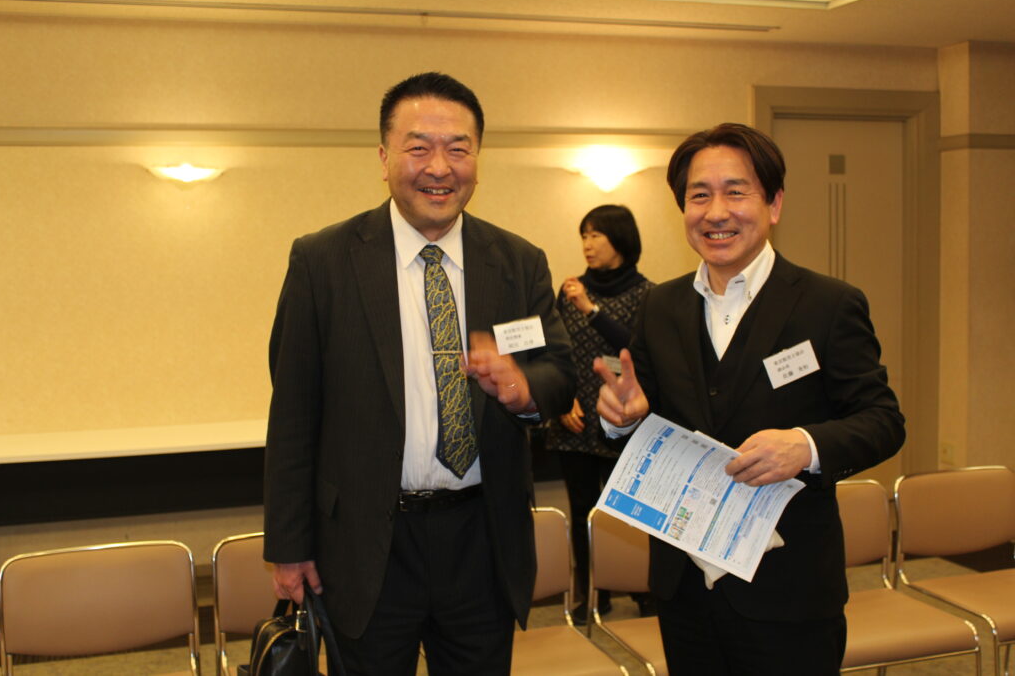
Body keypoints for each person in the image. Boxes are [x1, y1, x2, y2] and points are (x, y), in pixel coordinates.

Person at [263, 72, 576, 676]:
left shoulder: (517, 262)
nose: (439, 167)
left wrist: (524, 391)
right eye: (418, 148)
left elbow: (558, 373)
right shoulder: (323, 261)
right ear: (384, 158)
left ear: (478, 159)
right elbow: (294, 414)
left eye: (458, 148)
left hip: (482, 539)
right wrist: (289, 546)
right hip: (367, 544)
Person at [595, 123, 905, 675]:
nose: (716, 212)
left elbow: (883, 420)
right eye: (699, 195)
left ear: (774, 203)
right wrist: (624, 420)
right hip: (684, 585)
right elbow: (647, 420)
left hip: (788, 588)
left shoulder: (828, 304)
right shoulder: (660, 307)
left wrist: (805, 446)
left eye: (736, 192)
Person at [544, 204, 653, 623]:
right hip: (575, 421)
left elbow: (636, 348)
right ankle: (592, 592)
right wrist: (562, 400)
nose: (587, 245)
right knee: (582, 511)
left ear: (619, 240)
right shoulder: (569, 290)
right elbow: (556, 351)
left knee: (628, 511)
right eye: (583, 236)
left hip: (624, 421)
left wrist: (590, 309)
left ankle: (640, 588)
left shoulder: (647, 294)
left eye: (596, 235)